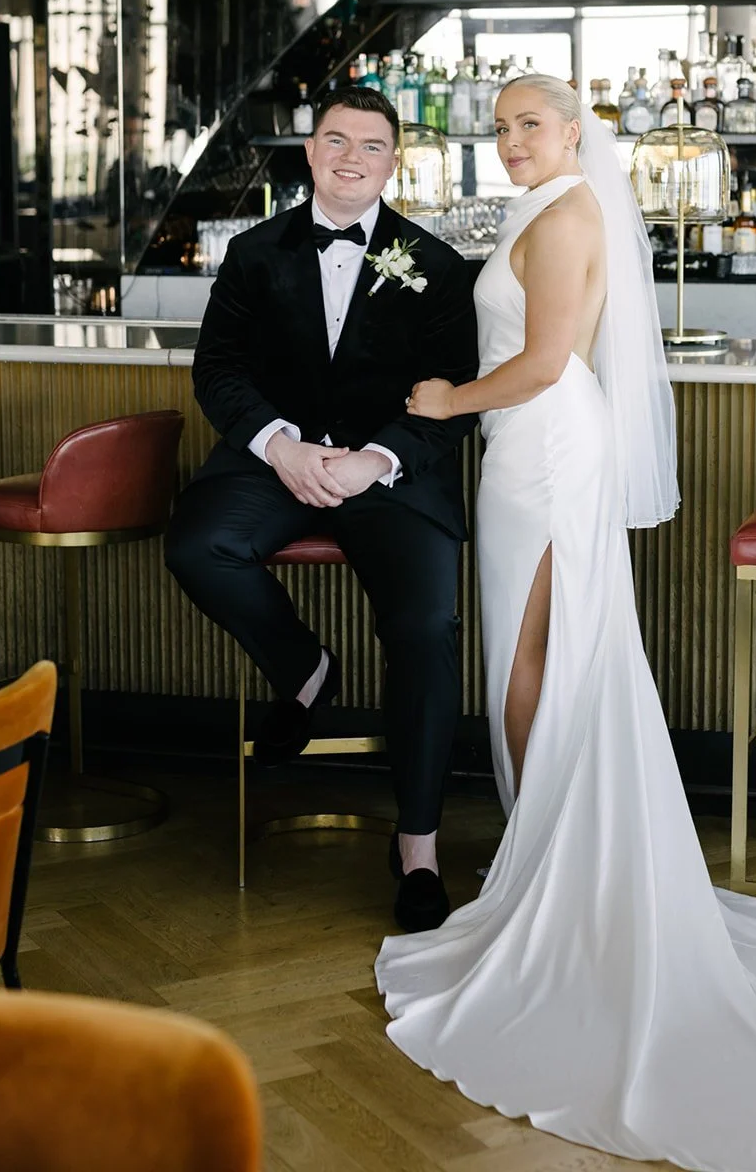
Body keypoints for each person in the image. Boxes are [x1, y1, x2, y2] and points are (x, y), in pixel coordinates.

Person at [374, 75, 756, 1172]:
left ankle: (545, 868)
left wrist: (444, 403)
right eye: (500, 124)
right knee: (535, 656)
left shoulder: (564, 214)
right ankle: (546, 855)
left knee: (529, 658)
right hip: (527, 450)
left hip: (545, 449)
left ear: (572, 133)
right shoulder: (539, 205)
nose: (510, 139)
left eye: (530, 124)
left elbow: (547, 360)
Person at [165, 85, 478, 932]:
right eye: (335, 141)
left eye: (370, 146)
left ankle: (417, 847)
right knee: (198, 546)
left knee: (425, 627)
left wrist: (375, 460)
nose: (350, 158)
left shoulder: (439, 268)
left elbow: (452, 400)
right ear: (309, 153)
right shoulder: (253, 253)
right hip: (276, 460)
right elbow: (218, 371)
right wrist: (281, 445)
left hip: (390, 472)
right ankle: (303, 667)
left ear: (393, 161)